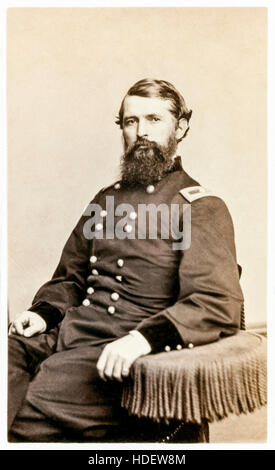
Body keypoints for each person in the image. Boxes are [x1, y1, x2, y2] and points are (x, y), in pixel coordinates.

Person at [8, 78, 243, 442]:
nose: (141, 132)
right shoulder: (105, 202)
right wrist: (44, 313)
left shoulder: (200, 207)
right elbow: (71, 277)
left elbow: (215, 302)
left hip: (125, 353)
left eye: (154, 119)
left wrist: (142, 339)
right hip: (69, 333)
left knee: (31, 406)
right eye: (131, 122)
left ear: (180, 127)